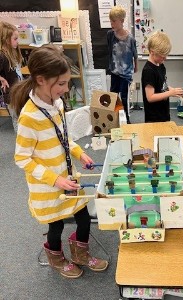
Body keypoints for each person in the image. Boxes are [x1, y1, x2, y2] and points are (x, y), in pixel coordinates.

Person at [11, 45, 108, 279]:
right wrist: (54, 179)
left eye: (66, 83)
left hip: (67, 176)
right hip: (48, 185)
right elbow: (22, 158)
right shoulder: (29, 118)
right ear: (41, 80)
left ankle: (80, 254)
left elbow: (63, 137)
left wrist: (78, 152)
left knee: (83, 218)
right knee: (56, 226)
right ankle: (56, 257)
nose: (66, 90)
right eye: (61, 84)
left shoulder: (57, 104)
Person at [141, 31, 183, 123]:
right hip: (154, 118)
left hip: (163, 113)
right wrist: (170, 93)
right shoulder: (148, 71)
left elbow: (161, 85)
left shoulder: (161, 65)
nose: (165, 59)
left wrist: (173, 90)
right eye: (163, 56)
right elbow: (150, 97)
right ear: (152, 52)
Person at [107, 6, 138, 124]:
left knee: (124, 97)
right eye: (111, 21)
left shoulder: (130, 39)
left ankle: (126, 119)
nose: (112, 24)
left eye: (114, 21)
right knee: (113, 96)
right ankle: (114, 117)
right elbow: (110, 51)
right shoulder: (110, 35)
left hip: (126, 73)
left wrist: (136, 68)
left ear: (122, 21)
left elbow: (135, 55)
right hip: (115, 71)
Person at [0, 21, 23, 131]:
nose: (17, 42)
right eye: (15, 39)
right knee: (17, 120)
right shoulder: (2, 56)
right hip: (11, 95)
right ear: (6, 40)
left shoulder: (12, 52)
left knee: (22, 118)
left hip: (18, 92)